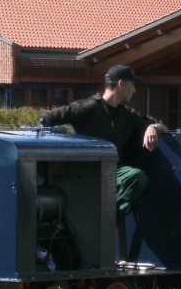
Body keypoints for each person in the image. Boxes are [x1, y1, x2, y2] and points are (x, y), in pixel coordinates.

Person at [39, 64, 166, 215]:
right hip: (84, 172)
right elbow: (46, 118)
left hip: (113, 171)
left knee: (137, 177)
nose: (134, 90)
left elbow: (162, 127)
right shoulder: (87, 107)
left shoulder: (127, 115)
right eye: (132, 85)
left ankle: (109, 216)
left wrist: (152, 127)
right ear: (121, 84)